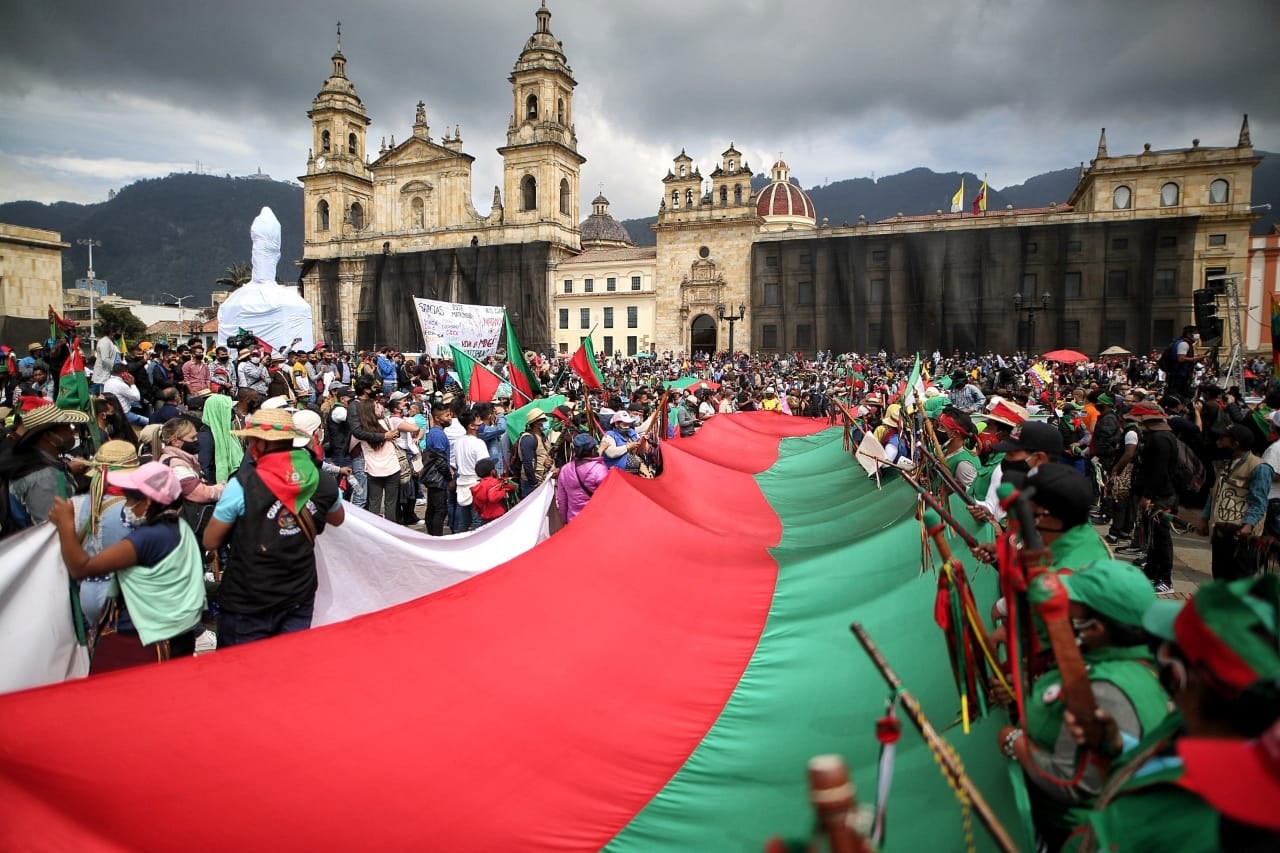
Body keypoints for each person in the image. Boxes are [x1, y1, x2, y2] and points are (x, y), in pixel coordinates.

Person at [1062, 575, 1280, 852]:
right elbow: (1166, 763)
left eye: (1169, 644)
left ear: (1178, 676)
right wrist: (1118, 745)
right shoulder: (1194, 720)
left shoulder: (1194, 823)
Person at [999, 559, 1171, 850]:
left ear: (1096, 628)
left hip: (1069, 834)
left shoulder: (1107, 690)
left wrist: (1012, 740)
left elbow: (1071, 781)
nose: (1060, 609)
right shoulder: (1121, 661)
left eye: (1071, 604)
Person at [202, 409, 343, 647]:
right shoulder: (322, 480)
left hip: (248, 597)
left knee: (240, 675)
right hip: (299, 591)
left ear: (259, 444)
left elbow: (210, 540)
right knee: (287, 670)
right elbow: (337, 518)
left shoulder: (242, 484)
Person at [48, 462, 205, 664]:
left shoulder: (148, 538)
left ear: (147, 502)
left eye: (129, 499)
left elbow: (81, 568)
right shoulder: (177, 527)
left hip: (147, 641)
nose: (126, 505)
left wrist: (65, 526)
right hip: (176, 633)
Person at [1197, 423, 1270, 581]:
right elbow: (1214, 492)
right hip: (1221, 532)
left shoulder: (1259, 468)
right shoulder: (1227, 463)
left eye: (1223, 439)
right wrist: (1204, 518)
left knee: (1239, 582)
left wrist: (1248, 525)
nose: (1218, 442)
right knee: (1220, 578)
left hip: (1241, 537)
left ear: (1236, 444)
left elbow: (1259, 501)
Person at [1, 403, 90, 531]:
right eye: (65, 428)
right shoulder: (43, 477)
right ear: (49, 436)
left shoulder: (39, 460)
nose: (71, 431)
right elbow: (52, 529)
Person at [1129, 403, 1180, 593]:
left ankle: (1165, 578)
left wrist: (1148, 495)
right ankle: (1152, 572)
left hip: (1161, 496)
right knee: (1151, 536)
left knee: (1161, 537)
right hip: (1155, 493)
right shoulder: (1156, 437)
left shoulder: (1160, 440)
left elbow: (1158, 472)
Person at [349, 389, 403, 520]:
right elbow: (400, 433)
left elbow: (351, 447)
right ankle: (391, 530)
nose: (381, 407)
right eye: (377, 406)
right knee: (390, 503)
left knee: (374, 503)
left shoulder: (361, 431)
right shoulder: (387, 422)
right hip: (392, 468)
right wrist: (385, 436)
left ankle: (375, 532)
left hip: (373, 470)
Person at [556, 432, 607, 523]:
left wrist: (564, 521)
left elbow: (562, 499)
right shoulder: (599, 470)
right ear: (592, 450)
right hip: (595, 521)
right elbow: (607, 498)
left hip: (574, 521)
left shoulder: (565, 469)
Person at [453, 410, 489, 531]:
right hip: (476, 484)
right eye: (478, 421)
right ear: (471, 425)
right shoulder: (479, 443)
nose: (481, 423)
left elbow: (457, 464)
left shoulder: (458, 442)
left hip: (462, 483)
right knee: (477, 521)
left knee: (463, 522)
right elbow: (484, 467)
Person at [516, 408, 552, 498]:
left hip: (543, 479)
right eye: (544, 420)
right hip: (531, 482)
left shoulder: (543, 436)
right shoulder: (528, 439)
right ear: (536, 423)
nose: (546, 422)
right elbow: (527, 463)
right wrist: (534, 482)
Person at [470, 457, 515, 525]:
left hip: (485, 518)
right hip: (498, 517)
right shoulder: (494, 482)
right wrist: (504, 491)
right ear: (492, 471)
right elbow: (492, 497)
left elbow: (476, 506)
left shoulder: (478, 487)